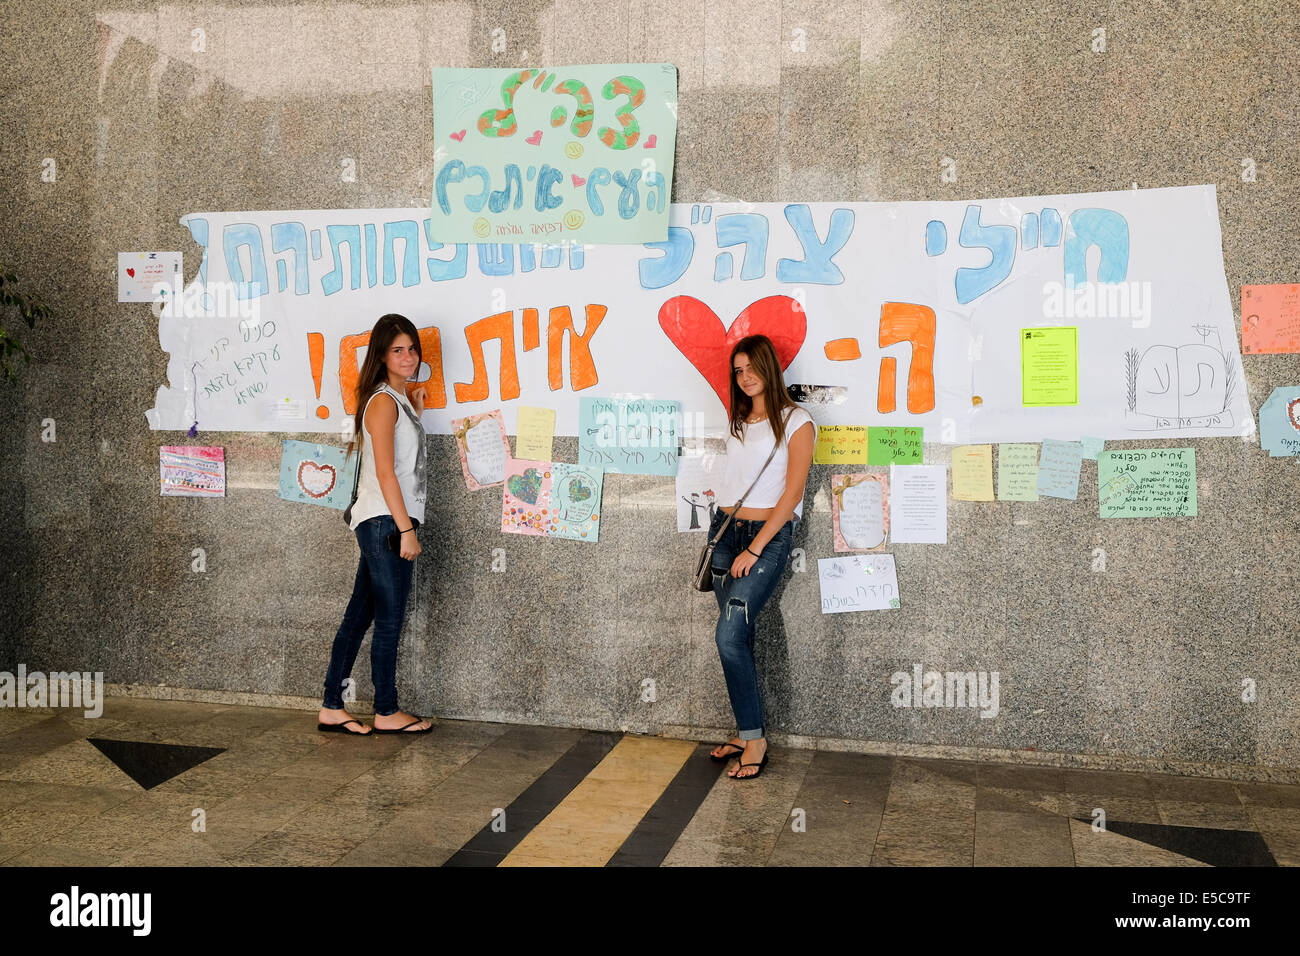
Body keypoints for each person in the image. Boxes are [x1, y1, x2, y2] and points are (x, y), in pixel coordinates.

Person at [318, 313, 434, 735]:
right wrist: (406, 529)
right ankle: (386, 710)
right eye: (397, 350)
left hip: (381, 521)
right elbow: (386, 473)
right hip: (386, 523)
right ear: (382, 357)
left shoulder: (396, 400)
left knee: (359, 616)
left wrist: (416, 413)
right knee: (389, 618)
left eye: (412, 349)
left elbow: (400, 462)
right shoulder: (383, 401)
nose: (408, 356)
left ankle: (332, 705)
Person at [706, 334, 815, 778]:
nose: (745, 377)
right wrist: (727, 532)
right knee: (738, 638)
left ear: (769, 368)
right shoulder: (738, 419)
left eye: (751, 368)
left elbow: (792, 494)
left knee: (728, 637)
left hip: (765, 538)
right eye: (738, 370)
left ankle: (756, 740)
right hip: (725, 532)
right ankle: (746, 726)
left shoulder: (797, 421)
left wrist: (755, 546)